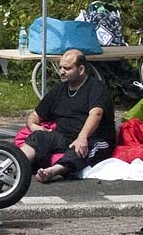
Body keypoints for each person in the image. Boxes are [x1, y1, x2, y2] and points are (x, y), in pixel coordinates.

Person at [19, 49, 116, 183]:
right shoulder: (59, 89)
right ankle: (16, 163)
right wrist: (34, 126)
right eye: (60, 67)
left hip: (94, 138)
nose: (61, 72)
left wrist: (82, 137)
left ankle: (53, 171)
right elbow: (35, 115)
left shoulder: (96, 88)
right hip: (63, 137)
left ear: (81, 69)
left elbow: (96, 113)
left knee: (81, 148)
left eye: (67, 68)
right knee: (38, 136)